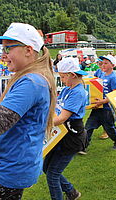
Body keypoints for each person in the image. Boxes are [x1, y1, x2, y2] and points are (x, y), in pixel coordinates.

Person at [0, 22, 56, 199]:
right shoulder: (33, 78)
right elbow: (1, 105)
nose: (3, 55)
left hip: (13, 168)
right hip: (20, 166)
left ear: (28, 50)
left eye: (8, 49)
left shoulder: (31, 82)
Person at [43, 57, 88, 200]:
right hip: (60, 135)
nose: (61, 79)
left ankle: (67, 194)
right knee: (46, 168)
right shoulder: (68, 89)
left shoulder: (78, 92)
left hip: (71, 137)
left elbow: (62, 117)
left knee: (52, 175)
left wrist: (42, 125)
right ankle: (72, 192)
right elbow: (57, 107)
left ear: (72, 75)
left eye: (62, 76)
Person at [85, 55, 116, 151]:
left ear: (113, 65)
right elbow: (93, 83)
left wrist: (103, 101)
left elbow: (115, 94)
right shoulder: (100, 74)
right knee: (88, 126)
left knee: (109, 128)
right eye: (102, 63)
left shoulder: (113, 78)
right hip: (97, 107)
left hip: (107, 109)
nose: (103, 65)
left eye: (106, 63)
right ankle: (83, 146)